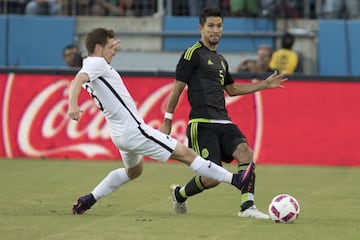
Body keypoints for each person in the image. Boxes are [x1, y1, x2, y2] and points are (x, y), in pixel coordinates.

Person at [68, 27, 259, 215]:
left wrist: (109, 47)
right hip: (134, 131)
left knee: (133, 171)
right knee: (186, 154)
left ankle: (89, 199)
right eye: (110, 46)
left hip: (119, 133)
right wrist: (73, 106)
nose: (114, 50)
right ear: (99, 48)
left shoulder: (92, 64)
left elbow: (85, 75)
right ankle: (236, 180)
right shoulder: (96, 64)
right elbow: (78, 78)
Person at [159, 6, 287, 219]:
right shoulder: (192, 54)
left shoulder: (221, 60)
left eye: (219, 26)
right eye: (211, 26)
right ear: (201, 28)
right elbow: (177, 88)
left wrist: (264, 85)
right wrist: (167, 120)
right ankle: (179, 194)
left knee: (245, 152)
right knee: (212, 178)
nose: (215, 30)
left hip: (224, 121)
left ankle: (248, 207)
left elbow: (232, 89)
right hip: (201, 123)